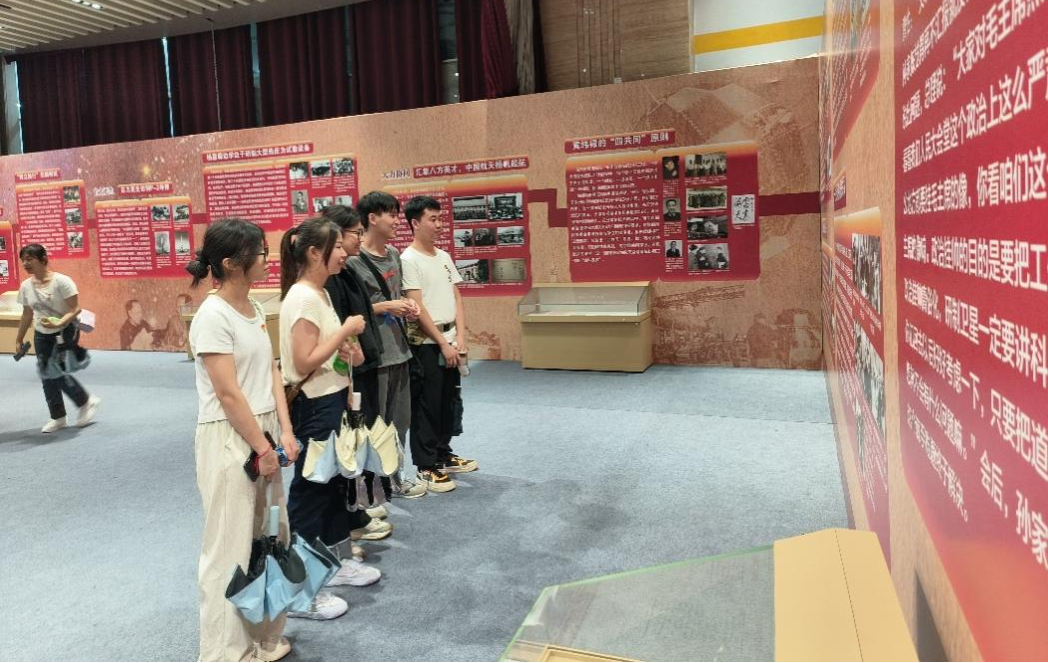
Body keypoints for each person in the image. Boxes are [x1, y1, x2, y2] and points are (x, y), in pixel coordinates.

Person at [185, 218, 298, 662]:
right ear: (231, 263)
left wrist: (285, 431)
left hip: (263, 431)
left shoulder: (253, 307)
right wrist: (263, 448)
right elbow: (228, 394)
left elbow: (271, 370)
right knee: (228, 548)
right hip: (230, 437)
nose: (268, 258)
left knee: (269, 538)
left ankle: (263, 636)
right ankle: (224, 652)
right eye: (260, 252)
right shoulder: (212, 316)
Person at [280, 216, 380, 621]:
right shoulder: (303, 297)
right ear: (313, 252)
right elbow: (303, 360)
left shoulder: (319, 294)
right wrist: (344, 333)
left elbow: (327, 354)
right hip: (315, 406)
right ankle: (299, 593)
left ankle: (335, 565)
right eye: (336, 247)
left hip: (333, 399)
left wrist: (347, 349)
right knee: (310, 493)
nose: (344, 253)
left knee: (336, 484)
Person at [342, 194, 428, 500]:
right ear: (371, 218)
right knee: (375, 424)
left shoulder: (393, 254)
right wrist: (385, 306)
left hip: (400, 349)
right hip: (374, 354)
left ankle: (395, 477)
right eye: (390, 214)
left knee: (400, 422)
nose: (396, 221)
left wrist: (407, 305)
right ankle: (372, 485)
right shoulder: (352, 261)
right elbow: (352, 312)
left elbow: (395, 294)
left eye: (396, 214)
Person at [401, 196, 478, 493]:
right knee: (427, 405)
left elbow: (456, 296)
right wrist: (442, 343)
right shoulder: (409, 260)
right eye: (432, 219)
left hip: (450, 339)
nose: (439, 225)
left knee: (448, 401)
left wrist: (460, 337)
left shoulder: (444, 256)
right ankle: (426, 466)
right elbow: (417, 308)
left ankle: (443, 454)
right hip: (427, 344)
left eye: (440, 218)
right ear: (415, 223)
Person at [14, 244, 100, 433]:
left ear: (43, 259)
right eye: (23, 260)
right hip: (41, 334)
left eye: (30, 259)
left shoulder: (62, 281)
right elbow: (27, 315)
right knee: (46, 374)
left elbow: (75, 309)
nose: (25, 263)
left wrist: (59, 322)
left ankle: (86, 401)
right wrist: (19, 339)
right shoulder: (26, 286)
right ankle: (58, 417)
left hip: (64, 330)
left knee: (55, 371)